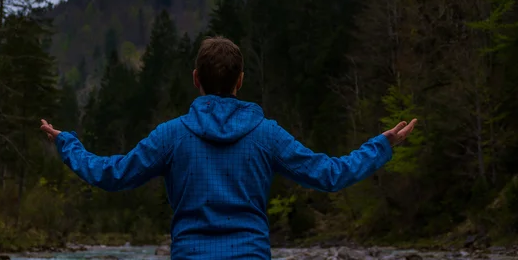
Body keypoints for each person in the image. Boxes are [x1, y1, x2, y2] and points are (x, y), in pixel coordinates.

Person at [40, 36, 416, 260]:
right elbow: (331, 175)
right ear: (240, 81)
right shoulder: (267, 135)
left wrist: (67, 142)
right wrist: (381, 146)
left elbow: (111, 175)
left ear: (195, 80)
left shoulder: (171, 135)